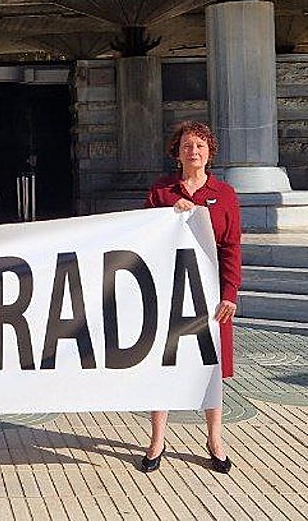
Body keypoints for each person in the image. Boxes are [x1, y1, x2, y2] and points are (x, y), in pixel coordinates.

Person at [139, 120, 241, 474]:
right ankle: (157, 440)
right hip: (170, 293)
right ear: (177, 152)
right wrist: (170, 213)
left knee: (210, 369)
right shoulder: (162, 190)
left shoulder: (224, 194)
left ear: (209, 152)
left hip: (211, 297)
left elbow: (231, 248)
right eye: (186, 145)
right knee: (164, 365)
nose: (192, 151)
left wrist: (230, 293)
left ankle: (214, 440)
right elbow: (143, 235)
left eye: (199, 145)